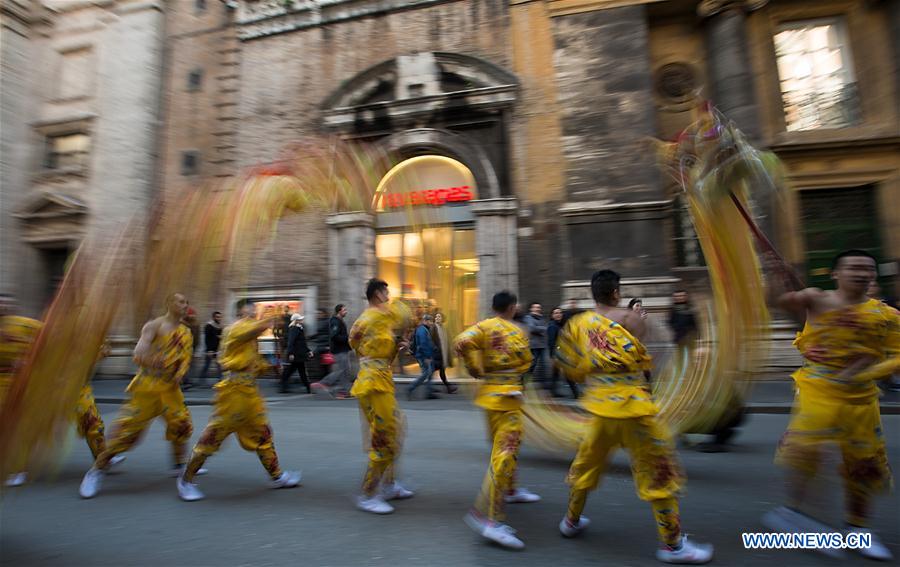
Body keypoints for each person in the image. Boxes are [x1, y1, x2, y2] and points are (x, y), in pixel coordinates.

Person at [555, 270, 713, 564]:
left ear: (593, 293)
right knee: (658, 469)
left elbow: (564, 362)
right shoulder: (631, 319)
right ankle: (672, 545)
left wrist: (588, 373)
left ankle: (570, 521)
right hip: (633, 408)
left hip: (600, 408)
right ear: (616, 292)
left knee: (587, 463)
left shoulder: (578, 322)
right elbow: (648, 356)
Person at [762, 250, 897, 561]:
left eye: (868, 269)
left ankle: (858, 529)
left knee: (863, 462)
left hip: (861, 396)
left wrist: (865, 372)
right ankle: (791, 515)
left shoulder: (887, 315)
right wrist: (773, 273)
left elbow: (897, 354)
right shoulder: (816, 299)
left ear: (874, 276)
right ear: (836, 273)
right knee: (809, 449)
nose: (861, 273)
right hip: (819, 387)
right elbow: (778, 303)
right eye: (853, 268)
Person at [176, 299, 302, 501]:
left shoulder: (251, 337)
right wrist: (265, 324)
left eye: (254, 310)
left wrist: (270, 366)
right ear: (239, 311)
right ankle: (186, 480)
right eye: (249, 309)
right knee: (213, 436)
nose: (253, 312)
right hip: (232, 394)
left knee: (263, 435)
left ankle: (277, 476)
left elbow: (254, 362)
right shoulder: (233, 330)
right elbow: (245, 334)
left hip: (250, 394)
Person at [80, 293, 199, 499]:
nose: (185, 305)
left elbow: (185, 358)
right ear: (169, 303)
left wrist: (179, 373)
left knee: (181, 426)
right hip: (148, 388)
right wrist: (154, 361)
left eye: (186, 301)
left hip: (170, 389)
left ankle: (181, 472)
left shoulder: (186, 332)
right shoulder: (154, 326)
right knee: (127, 432)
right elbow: (138, 352)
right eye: (181, 301)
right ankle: (96, 470)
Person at [455, 290, 541, 550]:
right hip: (507, 398)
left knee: (502, 449)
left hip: (492, 396)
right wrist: (477, 368)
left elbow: (462, 342)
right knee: (505, 452)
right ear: (512, 307)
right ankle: (488, 517)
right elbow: (526, 362)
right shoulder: (513, 329)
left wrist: (476, 369)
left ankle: (511, 490)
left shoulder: (484, 327)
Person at [348, 278, 415, 514]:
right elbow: (404, 315)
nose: (389, 296)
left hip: (380, 379)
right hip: (373, 384)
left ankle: (388, 484)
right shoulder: (376, 316)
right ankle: (368, 494)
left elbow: (359, 344)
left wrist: (394, 349)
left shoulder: (375, 320)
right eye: (386, 291)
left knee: (396, 429)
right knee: (385, 436)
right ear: (377, 294)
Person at [0, 293, 43, 486]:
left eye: (6, 304)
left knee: (16, 427)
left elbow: (48, 338)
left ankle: (19, 469)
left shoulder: (25, 325)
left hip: (19, 384)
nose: (3, 308)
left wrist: (29, 361)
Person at [312, 304, 352, 399]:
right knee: (342, 370)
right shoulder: (335, 321)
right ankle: (323, 383)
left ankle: (344, 391)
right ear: (339, 311)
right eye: (344, 310)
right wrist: (347, 338)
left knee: (345, 370)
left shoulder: (339, 321)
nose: (346, 311)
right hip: (339, 350)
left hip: (343, 349)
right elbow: (334, 336)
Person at [547, 306, 578, 398]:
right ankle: (576, 393)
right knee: (568, 373)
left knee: (555, 374)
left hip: (562, 352)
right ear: (552, 315)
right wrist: (553, 356)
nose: (558, 315)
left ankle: (553, 392)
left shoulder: (560, 325)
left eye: (560, 313)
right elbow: (551, 342)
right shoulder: (552, 326)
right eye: (556, 313)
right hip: (559, 353)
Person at [407, 314, 438, 400]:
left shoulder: (424, 329)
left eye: (431, 321)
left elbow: (427, 343)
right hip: (423, 356)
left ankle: (429, 392)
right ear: (425, 321)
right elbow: (423, 344)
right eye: (430, 321)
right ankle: (411, 388)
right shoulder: (422, 330)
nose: (431, 323)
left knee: (430, 372)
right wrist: (427, 357)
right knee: (426, 374)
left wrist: (433, 349)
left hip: (425, 355)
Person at [281, 313, 312, 394]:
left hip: (299, 354)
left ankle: (308, 388)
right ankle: (308, 388)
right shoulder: (294, 329)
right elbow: (291, 342)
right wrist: (291, 353)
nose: (302, 320)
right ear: (296, 320)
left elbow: (302, 343)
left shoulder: (299, 328)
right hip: (296, 355)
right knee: (297, 371)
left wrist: (308, 351)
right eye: (300, 319)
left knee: (293, 371)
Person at [523, 302, 549, 386]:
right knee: (532, 365)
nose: (538, 309)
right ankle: (524, 382)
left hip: (542, 345)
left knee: (543, 365)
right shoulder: (528, 317)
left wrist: (541, 329)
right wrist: (543, 329)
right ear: (531, 309)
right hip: (533, 345)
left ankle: (544, 385)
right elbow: (531, 328)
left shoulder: (541, 318)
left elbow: (543, 328)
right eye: (536, 307)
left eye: (539, 307)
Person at [432, 312, 457, 394]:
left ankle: (431, 387)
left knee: (439, 371)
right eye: (436, 316)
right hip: (437, 354)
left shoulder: (443, 328)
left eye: (439, 316)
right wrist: (434, 350)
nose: (437, 318)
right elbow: (431, 340)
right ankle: (448, 387)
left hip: (443, 353)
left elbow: (446, 341)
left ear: (442, 318)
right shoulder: (433, 327)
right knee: (437, 370)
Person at [199, 311, 223, 387]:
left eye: (220, 317)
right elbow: (206, 339)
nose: (219, 318)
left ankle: (220, 380)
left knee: (219, 365)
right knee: (207, 365)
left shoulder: (219, 326)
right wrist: (209, 350)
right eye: (217, 317)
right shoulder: (209, 326)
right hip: (210, 350)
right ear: (213, 317)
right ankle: (201, 381)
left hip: (217, 350)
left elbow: (220, 336)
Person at [180, 306, 201, 390]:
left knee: (186, 365)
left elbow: (196, 337)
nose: (193, 316)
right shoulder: (194, 323)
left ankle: (186, 381)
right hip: (188, 347)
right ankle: (186, 381)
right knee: (187, 365)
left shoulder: (184, 323)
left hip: (187, 347)